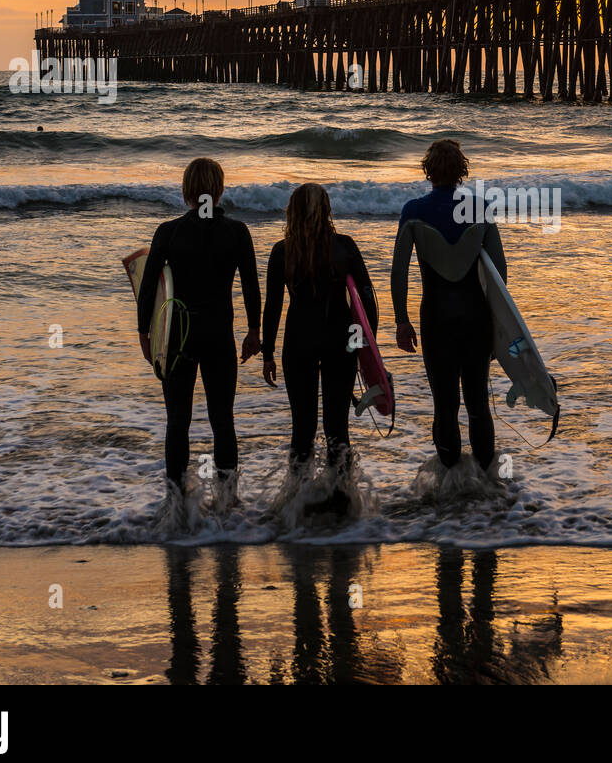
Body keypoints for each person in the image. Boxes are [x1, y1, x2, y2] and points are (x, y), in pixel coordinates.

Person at [138, 157, 261, 514]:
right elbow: (251, 286)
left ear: (186, 191)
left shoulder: (169, 232)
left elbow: (148, 289)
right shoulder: (237, 232)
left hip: (179, 336)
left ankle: (176, 506)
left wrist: (145, 333)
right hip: (219, 334)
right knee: (223, 419)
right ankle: (228, 502)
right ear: (219, 190)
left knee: (178, 420)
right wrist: (255, 331)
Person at [391, 140, 506, 472]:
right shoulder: (480, 208)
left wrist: (401, 320)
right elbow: (500, 272)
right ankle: (487, 484)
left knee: (444, 405)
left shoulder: (413, 210)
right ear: (462, 170)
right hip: (476, 319)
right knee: (478, 403)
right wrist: (500, 326)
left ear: (428, 171)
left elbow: (399, 270)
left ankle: (450, 489)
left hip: (436, 319)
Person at [262, 183, 377, 478]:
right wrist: (365, 348)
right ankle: (342, 498)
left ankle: (298, 502)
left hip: (298, 340)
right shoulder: (345, 246)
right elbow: (366, 297)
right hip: (341, 341)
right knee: (337, 427)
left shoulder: (281, 252)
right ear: (327, 211)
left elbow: (273, 307)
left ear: (293, 212)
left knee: (302, 427)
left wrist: (268, 353)